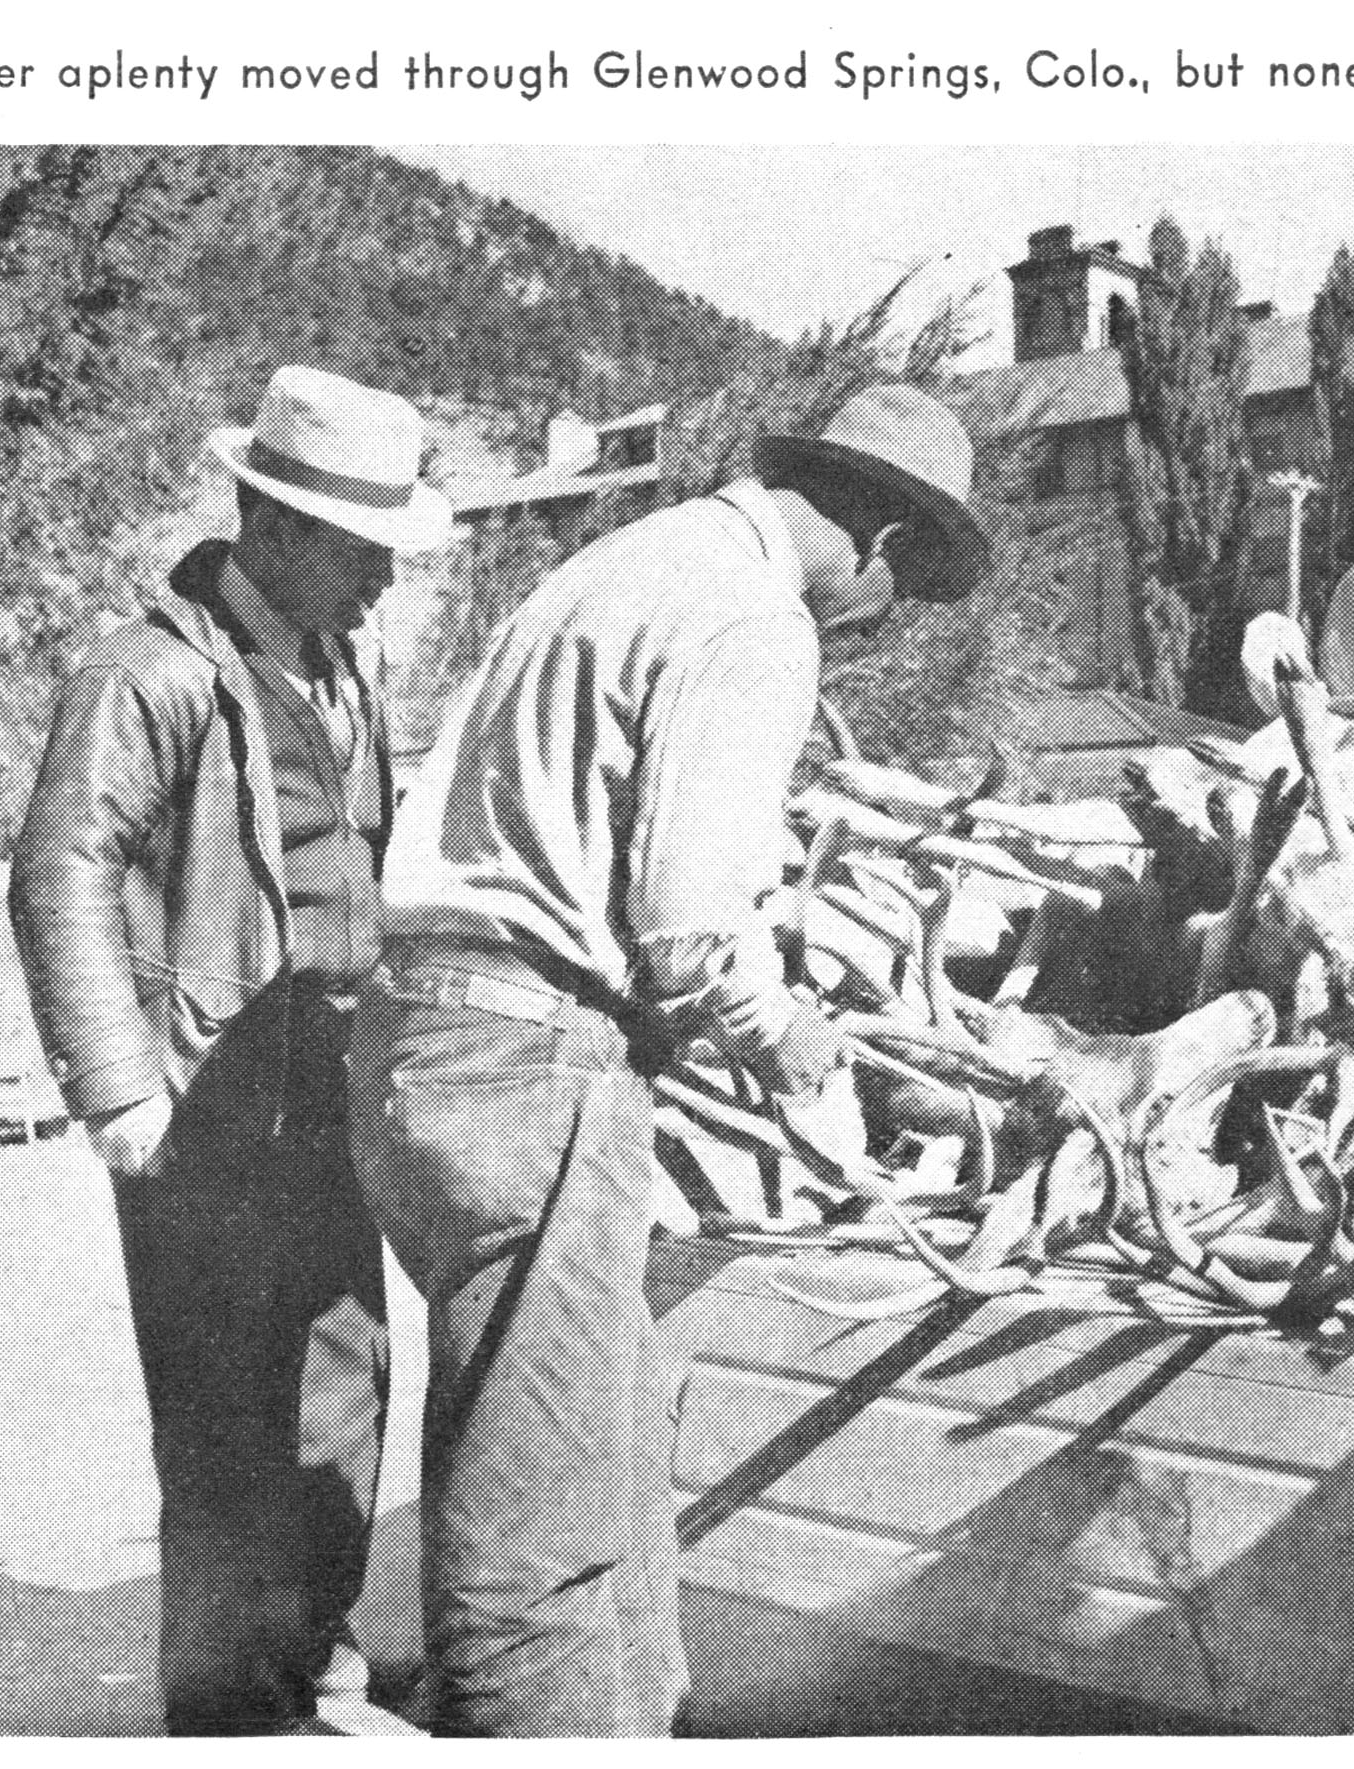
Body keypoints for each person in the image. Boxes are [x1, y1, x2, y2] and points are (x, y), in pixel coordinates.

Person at [351, 382, 989, 1736]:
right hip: (535, 1064)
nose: (885, 617)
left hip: (430, 1036)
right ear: (875, 537)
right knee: (545, 1520)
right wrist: (792, 1039)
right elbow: (693, 927)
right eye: (907, 585)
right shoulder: (755, 620)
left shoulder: (622, 562)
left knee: (606, 1443)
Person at [10, 365, 452, 1733]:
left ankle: (309, 1652)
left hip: (328, 1100)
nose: (385, 576)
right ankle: (224, 1714)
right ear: (272, 528)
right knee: (219, 1429)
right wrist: (119, 1092)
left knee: (340, 1388)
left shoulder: (339, 665)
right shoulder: (147, 672)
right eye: (362, 547)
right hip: (203, 1110)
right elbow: (57, 871)